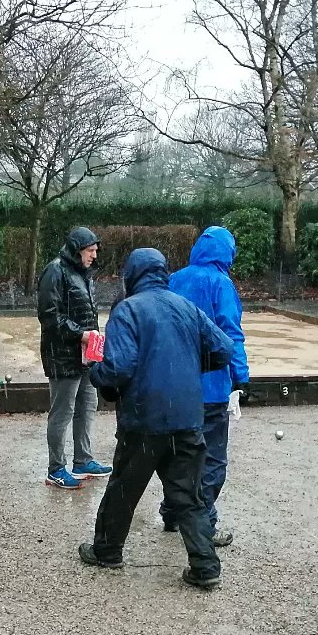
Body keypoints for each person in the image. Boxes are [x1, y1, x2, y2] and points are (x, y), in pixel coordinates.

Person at [78, 248, 234, 590]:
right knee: (189, 496)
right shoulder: (186, 307)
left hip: (144, 419)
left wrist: (95, 372)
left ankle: (107, 550)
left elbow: (119, 367)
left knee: (123, 488)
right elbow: (224, 349)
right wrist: (188, 369)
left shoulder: (128, 310)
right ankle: (205, 566)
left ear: (131, 275)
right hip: (187, 418)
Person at [163, 226, 250, 546]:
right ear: (227, 253)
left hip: (177, 381)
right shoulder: (221, 284)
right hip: (211, 386)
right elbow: (231, 333)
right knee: (212, 457)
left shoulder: (176, 279)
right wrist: (241, 375)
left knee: (179, 451)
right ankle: (205, 521)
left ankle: (172, 511)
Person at [37, 226, 112, 489]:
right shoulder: (55, 271)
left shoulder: (82, 273)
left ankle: (83, 461)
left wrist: (91, 340)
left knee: (86, 407)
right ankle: (55, 468)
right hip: (63, 356)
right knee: (62, 412)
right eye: (90, 251)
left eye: (95, 251)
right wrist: (81, 334)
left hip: (85, 356)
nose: (94, 255)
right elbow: (49, 316)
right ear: (77, 249)